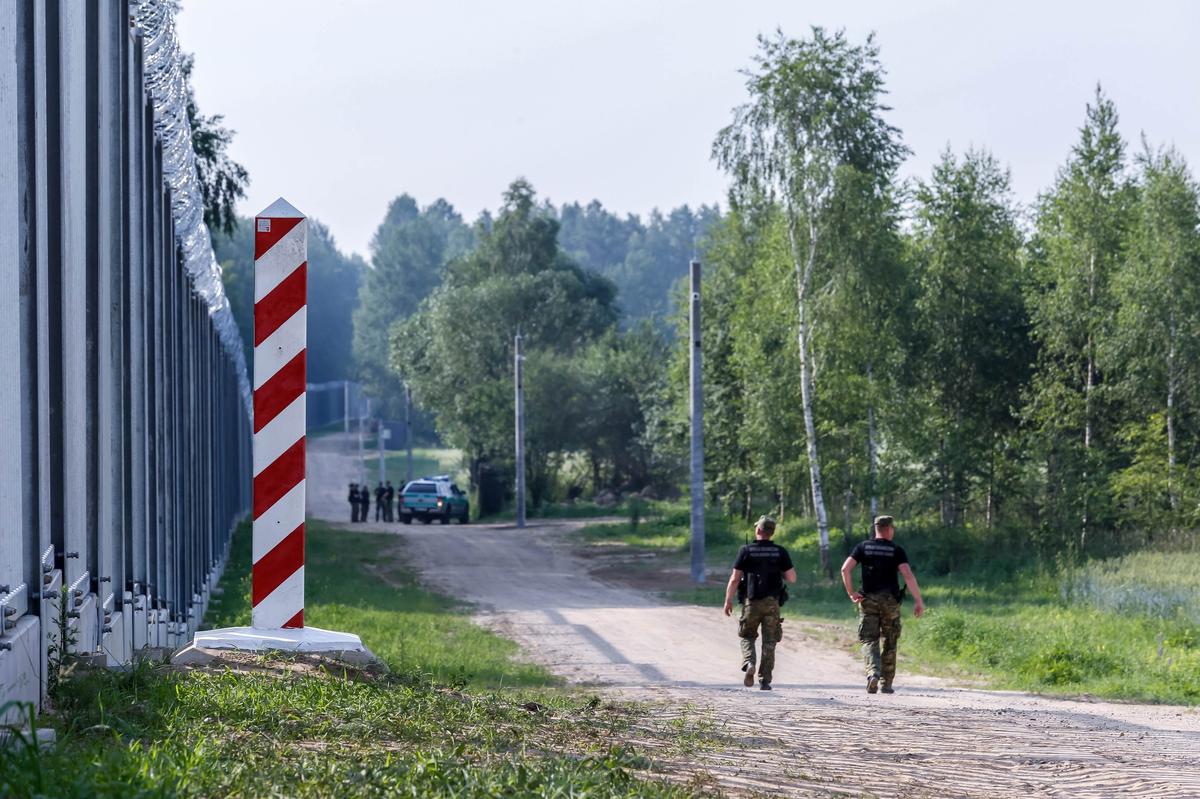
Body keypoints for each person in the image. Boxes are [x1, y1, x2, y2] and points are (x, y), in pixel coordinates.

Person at [841, 515, 925, 694]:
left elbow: (845, 569)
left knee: (869, 639)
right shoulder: (896, 550)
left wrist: (851, 593)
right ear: (889, 529)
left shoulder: (863, 547)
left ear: (876, 528)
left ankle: (873, 674)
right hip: (890, 602)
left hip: (868, 600)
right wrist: (918, 600)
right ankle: (887, 684)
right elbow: (907, 575)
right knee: (890, 641)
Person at [723, 515, 797, 690]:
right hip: (772, 603)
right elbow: (792, 578)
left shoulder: (746, 550)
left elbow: (735, 579)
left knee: (747, 635)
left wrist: (728, 600)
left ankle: (749, 662)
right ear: (772, 532)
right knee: (769, 642)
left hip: (751, 602)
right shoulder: (780, 551)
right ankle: (765, 680)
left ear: (757, 530)